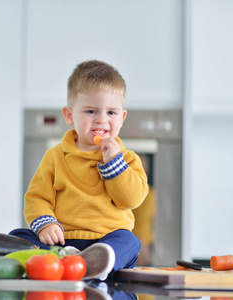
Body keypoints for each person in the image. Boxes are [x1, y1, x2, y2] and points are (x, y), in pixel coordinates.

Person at [10, 60, 149, 280]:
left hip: (107, 239)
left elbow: (130, 200)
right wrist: (46, 223)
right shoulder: (55, 156)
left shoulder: (128, 159)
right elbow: (37, 197)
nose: (101, 119)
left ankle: (91, 262)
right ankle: (69, 260)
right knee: (17, 236)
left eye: (111, 112)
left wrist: (114, 164)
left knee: (130, 241)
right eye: (91, 111)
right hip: (62, 240)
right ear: (69, 115)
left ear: (122, 118)